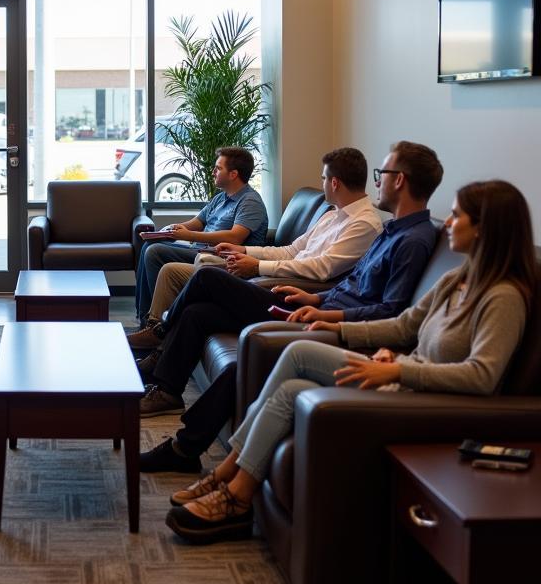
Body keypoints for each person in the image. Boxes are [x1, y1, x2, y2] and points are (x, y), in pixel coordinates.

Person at [164, 179, 536, 545]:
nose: (449, 223)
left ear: (485, 228)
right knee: (293, 389)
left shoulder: (503, 297)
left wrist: (397, 368)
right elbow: (406, 324)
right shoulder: (458, 278)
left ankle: (230, 484)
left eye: (457, 216)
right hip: (404, 378)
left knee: (297, 352)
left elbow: (482, 376)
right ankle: (237, 489)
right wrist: (333, 319)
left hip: (427, 398)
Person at [135, 141, 443, 420]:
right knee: (195, 314)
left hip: (314, 308)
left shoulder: (377, 228)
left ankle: (161, 331)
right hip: (309, 299)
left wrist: (265, 271)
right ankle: (167, 391)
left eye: (383, 172)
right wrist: (250, 254)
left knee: (206, 277)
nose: (377, 181)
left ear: (399, 179)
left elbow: (336, 277)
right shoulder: (348, 219)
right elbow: (298, 252)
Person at [134, 147, 383, 347]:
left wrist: (258, 266)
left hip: (292, 289)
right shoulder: (332, 216)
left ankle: (159, 333)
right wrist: (246, 253)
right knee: (191, 302)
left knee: (204, 272)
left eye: (323, 179)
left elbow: (322, 269)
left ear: (335, 183)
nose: (322, 184)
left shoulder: (364, 224)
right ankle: (158, 340)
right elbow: (291, 250)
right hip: (275, 275)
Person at [134, 147, 268, 324]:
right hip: (201, 252)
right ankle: (145, 317)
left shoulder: (250, 201)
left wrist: (190, 235)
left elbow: (235, 237)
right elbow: (197, 222)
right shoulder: (221, 197)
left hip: (220, 257)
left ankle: (155, 323)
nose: (213, 172)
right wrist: (173, 229)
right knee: (149, 246)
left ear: (233, 174)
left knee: (155, 252)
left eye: (218, 168)